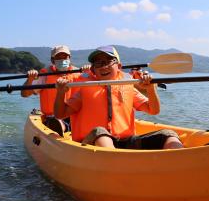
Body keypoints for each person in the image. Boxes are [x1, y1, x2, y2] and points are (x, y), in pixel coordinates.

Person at [54, 45, 183, 149]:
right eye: (98, 63)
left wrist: (150, 89)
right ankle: (117, 168)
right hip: (93, 142)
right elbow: (60, 114)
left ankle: (180, 165)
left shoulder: (128, 87)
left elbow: (153, 110)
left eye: (108, 61)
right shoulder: (85, 90)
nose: (104, 66)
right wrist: (60, 93)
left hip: (125, 142)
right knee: (101, 133)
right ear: (93, 70)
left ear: (119, 66)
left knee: (168, 135)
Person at [22, 45, 83, 135]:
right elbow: (25, 94)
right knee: (57, 120)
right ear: (52, 60)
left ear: (69, 58)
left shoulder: (80, 74)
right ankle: (60, 127)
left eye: (64, 57)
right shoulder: (45, 75)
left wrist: (89, 71)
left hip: (75, 116)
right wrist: (30, 79)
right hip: (52, 116)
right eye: (58, 57)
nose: (62, 60)